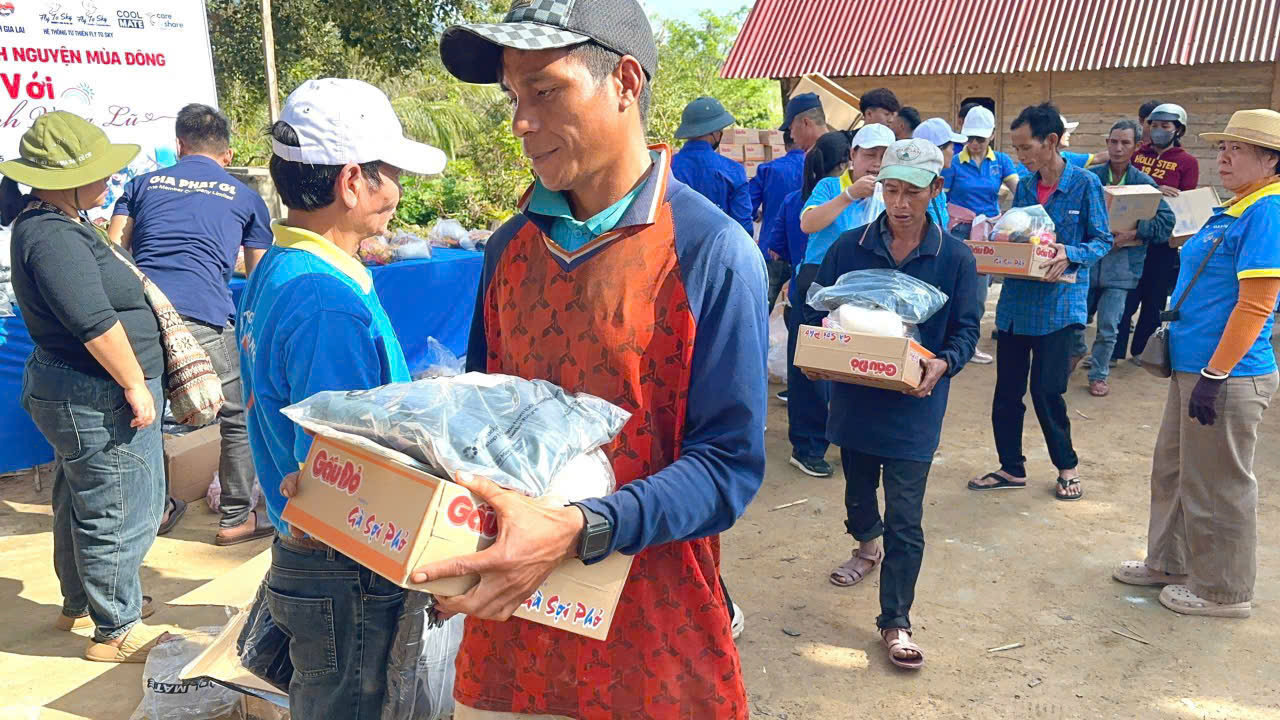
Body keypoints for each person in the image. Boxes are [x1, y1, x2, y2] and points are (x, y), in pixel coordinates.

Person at [434, 0, 767, 716]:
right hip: (512, 633)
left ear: (624, 82)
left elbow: (727, 468)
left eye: (545, 91)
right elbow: (479, 426)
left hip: (650, 638)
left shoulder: (709, 253)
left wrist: (581, 528)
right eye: (513, 97)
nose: (521, 122)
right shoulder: (509, 250)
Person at [236, 78, 446, 717]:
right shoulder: (325, 299)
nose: (398, 192)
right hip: (347, 566)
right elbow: (345, 466)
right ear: (352, 181)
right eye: (392, 175)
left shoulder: (280, 266)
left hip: (311, 553)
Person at [806, 139, 980, 670]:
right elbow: (820, 311)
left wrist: (943, 363)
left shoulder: (953, 258)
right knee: (859, 495)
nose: (900, 204)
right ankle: (866, 545)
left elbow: (966, 331)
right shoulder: (851, 247)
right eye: (891, 191)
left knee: (905, 517)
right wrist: (820, 346)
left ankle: (895, 621)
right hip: (856, 400)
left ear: (936, 190)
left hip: (914, 407)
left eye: (912, 193)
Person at [3, 111, 166, 662]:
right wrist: (134, 384)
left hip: (80, 387)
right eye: (98, 171)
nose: (109, 179)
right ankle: (116, 627)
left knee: (84, 497)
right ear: (64, 180)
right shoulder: (52, 235)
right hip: (97, 392)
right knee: (118, 505)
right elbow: (93, 321)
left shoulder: (54, 222)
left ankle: (86, 602)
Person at [1114, 109, 1280, 619]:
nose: (1223, 157)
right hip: (1196, 367)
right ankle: (1170, 562)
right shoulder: (1236, 207)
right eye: (1223, 147)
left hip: (1226, 374)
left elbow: (1256, 304)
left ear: (1271, 161)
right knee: (1175, 471)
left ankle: (1223, 591)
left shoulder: (1269, 210)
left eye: (1238, 149)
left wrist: (1216, 373)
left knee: (1218, 485)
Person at [108, 103, 274, 545]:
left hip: (139, 316)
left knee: (142, 415)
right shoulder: (244, 197)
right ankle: (236, 518)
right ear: (227, 154)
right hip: (204, 316)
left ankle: (157, 509)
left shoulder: (141, 185)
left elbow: (114, 249)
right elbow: (258, 277)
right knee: (238, 415)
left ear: (179, 146)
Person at [969, 103, 1112, 501]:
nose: (1020, 157)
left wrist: (1071, 253)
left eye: (1025, 147)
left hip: (1059, 307)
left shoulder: (1085, 184)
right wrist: (997, 240)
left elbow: (1102, 240)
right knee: (1007, 392)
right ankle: (1011, 467)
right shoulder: (1027, 186)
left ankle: (1067, 466)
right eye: (1016, 149)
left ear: (1051, 141)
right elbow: (1021, 234)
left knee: (1047, 391)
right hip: (1017, 304)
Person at [1075, 120, 1174, 397]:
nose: (1118, 148)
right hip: (1087, 263)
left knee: (1109, 326)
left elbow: (1166, 222)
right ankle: (1072, 358)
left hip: (1122, 268)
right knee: (1075, 322)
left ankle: (1099, 375)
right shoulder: (1090, 178)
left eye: (1125, 143)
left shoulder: (1143, 183)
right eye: (1113, 142)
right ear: (1107, 143)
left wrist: (1134, 233)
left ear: (1135, 147)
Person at [779, 131, 852, 478]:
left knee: (833, 365)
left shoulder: (797, 196)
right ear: (849, 160)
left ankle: (820, 439)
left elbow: (776, 244)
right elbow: (805, 227)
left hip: (823, 284)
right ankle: (809, 445)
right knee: (814, 367)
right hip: (815, 286)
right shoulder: (831, 193)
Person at [1118, 103, 1200, 362]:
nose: (1158, 130)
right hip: (1131, 235)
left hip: (1163, 240)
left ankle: (1142, 351)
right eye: (1154, 125)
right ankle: (1113, 351)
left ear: (1178, 130)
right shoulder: (1136, 155)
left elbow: (1183, 201)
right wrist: (1156, 188)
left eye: (1165, 126)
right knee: (1125, 296)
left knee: (1153, 299)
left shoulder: (1187, 162)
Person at [941, 105, 1020, 365]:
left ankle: (968, 343)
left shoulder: (1001, 161)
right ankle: (950, 339)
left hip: (987, 232)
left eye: (980, 139)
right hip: (959, 231)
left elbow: (1020, 190)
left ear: (992, 135)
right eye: (970, 138)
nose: (974, 144)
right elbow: (941, 198)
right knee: (954, 285)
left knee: (979, 292)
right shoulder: (954, 162)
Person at [753, 92, 826, 314]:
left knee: (762, 310)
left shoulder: (822, 158)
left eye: (792, 127)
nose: (791, 135)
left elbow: (748, 207)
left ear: (806, 123)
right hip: (806, 260)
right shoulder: (831, 154)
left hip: (798, 256)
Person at [671, 96, 753, 237]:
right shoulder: (733, 171)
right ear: (714, 133)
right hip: (722, 248)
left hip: (675, 247)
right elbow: (743, 228)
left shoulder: (667, 167)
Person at [912, 117, 965, 228]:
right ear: (938, 150)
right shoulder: (919, 187)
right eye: (951, 148)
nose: (953, 152)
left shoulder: (935, 183)